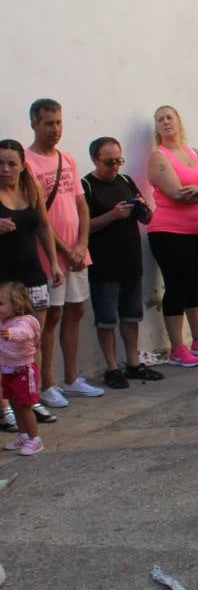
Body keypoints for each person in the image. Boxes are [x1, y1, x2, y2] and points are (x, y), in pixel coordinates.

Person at [26, 99, 99, 408]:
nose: (55, 129)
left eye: (58, 122)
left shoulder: (67, 158)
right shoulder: (27, 162)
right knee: (50, 316)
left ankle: (72, 378)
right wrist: (65, 249)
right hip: (50, 256)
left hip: (76, 253)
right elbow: (38, 216)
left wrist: (81, 245)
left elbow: (81, 205)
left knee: (76, 310)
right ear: (34, 124)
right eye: (48, 123)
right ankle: (48, 384)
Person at [146, 104, 198, 369]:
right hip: (169, 232)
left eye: (170, 117)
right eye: (160, 119)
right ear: (156, 127)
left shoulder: (196, 153)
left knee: (196, 281)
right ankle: (177, 346)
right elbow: (178, 193)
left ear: (179, 121)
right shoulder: (159, 157)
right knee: (177, 284)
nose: (166, 122)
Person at [81, 136, 160, 389]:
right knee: (106, 320)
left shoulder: (126, 181)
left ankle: (133, 362)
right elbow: (84, 227)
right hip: (104, 265)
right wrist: (112, 215)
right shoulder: (87, 186)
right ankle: (112, 367)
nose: (115, 166)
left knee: (130, 316)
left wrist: (143, 209)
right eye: (109, 162)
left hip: (130, 261)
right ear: (95, 159)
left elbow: (147, 219)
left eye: (118, 161)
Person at [0, 140, 61, 431]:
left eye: (12, 163)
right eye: (0, 163)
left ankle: (30, 396)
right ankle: (4, 406)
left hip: (33, 277)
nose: (6, 169)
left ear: (22, 164)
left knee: (31, 341)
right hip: (3, 281)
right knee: (3, 342)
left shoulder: (30, 189)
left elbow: (45, 227)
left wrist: (55, 263)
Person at [0, 282, 44, 456]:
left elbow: (25, 333)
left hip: (24, 370)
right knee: (15, 404)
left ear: (17, 304)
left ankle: (35, 439)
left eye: (1, 304)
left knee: (25, 406)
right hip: (9, 370)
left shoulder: (25, 322)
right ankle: (23, 435)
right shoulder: (4, 320)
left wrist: (12, 334)